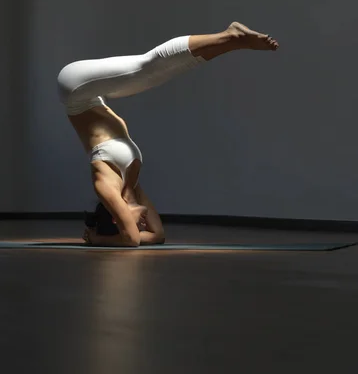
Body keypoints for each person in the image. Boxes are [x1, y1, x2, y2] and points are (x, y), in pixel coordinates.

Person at [57, 22, 279, 247]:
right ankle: (231, 44)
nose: (143, 225)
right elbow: (158, 236)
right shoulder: (131, 189)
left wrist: (96, 238)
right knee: (157, 72)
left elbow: (131, 239)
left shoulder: (106, 186)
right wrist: (128, 231)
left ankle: (230, 36)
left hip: (74, 89)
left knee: (147, 68)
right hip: (94, 95)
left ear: (116, 218)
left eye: (137, 224)